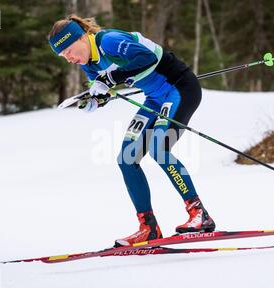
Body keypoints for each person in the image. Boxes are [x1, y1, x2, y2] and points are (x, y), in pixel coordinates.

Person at [48, 14, 216, 247]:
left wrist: (109, 77)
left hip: (179, 88)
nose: (68, 58)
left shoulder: (108, 41)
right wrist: (94, 101)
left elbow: (145, 58)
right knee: (127, 158)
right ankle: (148, 227)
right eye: (63, 56)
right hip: (155, 98)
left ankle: (200, 214)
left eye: (68, 51)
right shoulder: (89, 63)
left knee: (160, 149)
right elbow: (103, 89)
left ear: (82, 38)